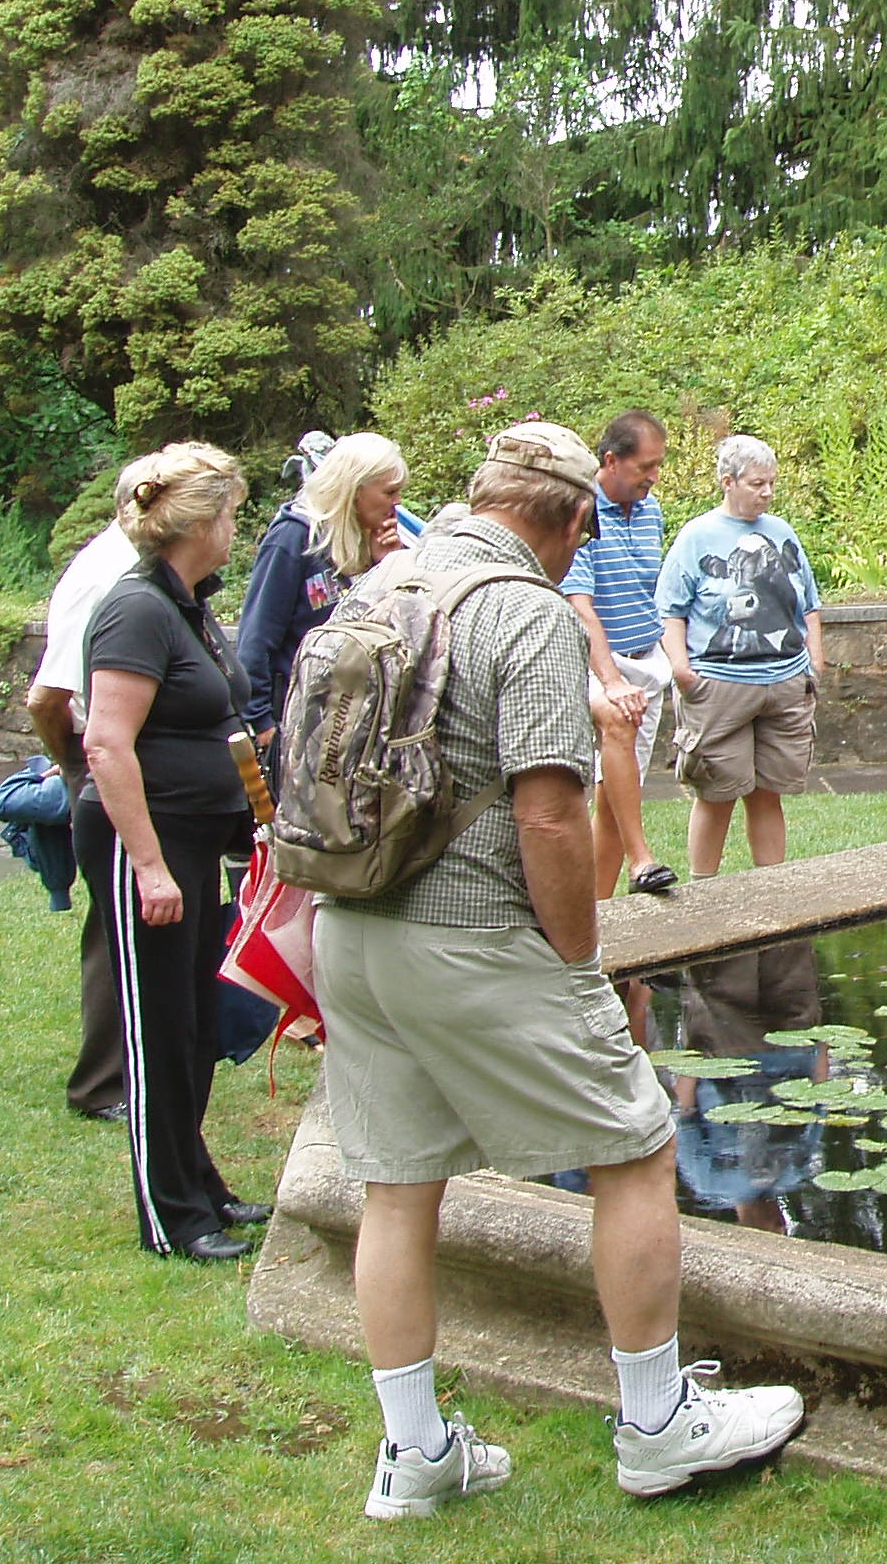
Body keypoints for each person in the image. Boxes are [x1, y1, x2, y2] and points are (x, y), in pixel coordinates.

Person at [307, 421, 804, 1520]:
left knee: (396, 1185)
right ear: (573, 520)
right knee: (633, 1147)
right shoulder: (524, 614)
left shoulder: (379, 590)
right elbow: (547, 809)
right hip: (473, 936)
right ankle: (658, 1424)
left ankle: (416, 1453)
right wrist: (579, 956)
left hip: (351, 931)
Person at [75, 441, 267, 1261]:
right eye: (229, 515)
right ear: (196, 522)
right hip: (144, 842)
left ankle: (202, 1185)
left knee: (194, 1024)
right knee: (157, 1028)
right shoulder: (136, 610)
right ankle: (170, 1218)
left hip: (198, 836)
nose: (235, 529)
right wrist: (148, 864)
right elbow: (107, 745)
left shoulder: (186, 603)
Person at [656, 435, 825, 880]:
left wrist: (815, 663)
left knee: (769, 793)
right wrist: (682, 671)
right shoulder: (696, 537)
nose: (767, 493)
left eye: (771, 483)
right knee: (716, 794)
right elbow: (670, 610)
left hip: (785, 681)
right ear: (728, 482)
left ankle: (770, 891)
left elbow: (808, 602)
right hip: (719, 685)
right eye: (757, 484)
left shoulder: (781, 532)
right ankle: (704, 894)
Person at [26, 478, 142, 1122]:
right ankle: (101, 1084)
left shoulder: (130, 567)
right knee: (115, 926)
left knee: (126, 923)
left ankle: (133, 1063)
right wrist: (72, 765)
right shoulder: (106, 578)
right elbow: (48, 697)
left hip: (122, 762)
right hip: (104, 763)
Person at [235, 432, 411, 753]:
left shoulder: (369, 543)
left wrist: (384, 569)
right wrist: (262, 725)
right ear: (354, 490)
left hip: (346, 723)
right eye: (389, 492)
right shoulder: (292, 538)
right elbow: (256, 640)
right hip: (292, 724)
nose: (397, 502)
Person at [559, 412, 673, 893]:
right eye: (645, 466)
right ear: (611, 460)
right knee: (616, 722)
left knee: (614, 799)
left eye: (658, 465)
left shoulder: (651, 512)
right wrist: (611, 681)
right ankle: (641, 859)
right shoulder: (581, 514)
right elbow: (581, 606)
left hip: (645, 660)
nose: (654, 476)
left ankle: (602, 913)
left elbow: (653, 593)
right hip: (597, 661)